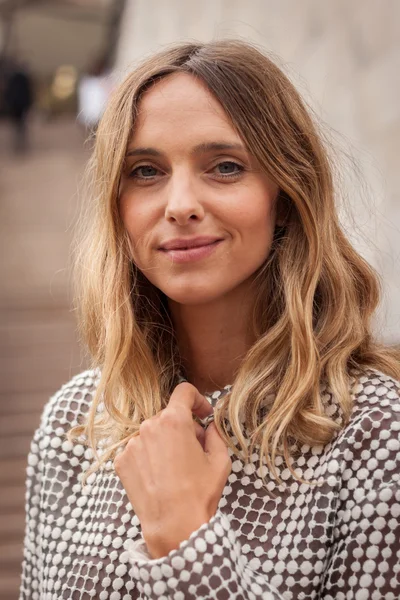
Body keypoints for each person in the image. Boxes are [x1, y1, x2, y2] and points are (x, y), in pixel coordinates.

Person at [20, 40, 400, 600]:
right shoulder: (74, 423)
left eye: (225, 167)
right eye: (145, 171)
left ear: (286, 199)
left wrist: (187, 544)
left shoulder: (375, 437)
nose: (179, 204)